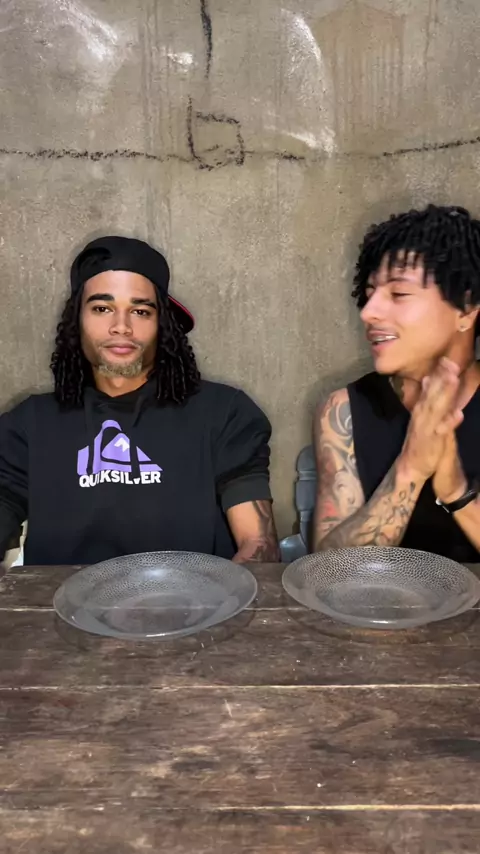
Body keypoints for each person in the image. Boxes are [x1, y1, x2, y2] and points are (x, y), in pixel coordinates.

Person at [0, 236, 279, 566]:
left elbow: (259, 544)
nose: (121, 327)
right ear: (76, 319)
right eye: (102, 309)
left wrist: (231, 592)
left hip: (194, 598)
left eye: (140, 311)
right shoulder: (29, 424)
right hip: (61, 600)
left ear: (162, 324)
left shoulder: (224, 413)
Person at [314, 204, 480, 562]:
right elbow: (328, 569)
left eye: (399, 294)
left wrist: (456, 492)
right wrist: (411, 469)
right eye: (370, 293)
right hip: (381, 599)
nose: (368, 312)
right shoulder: (344, 410)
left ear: (466, 309)